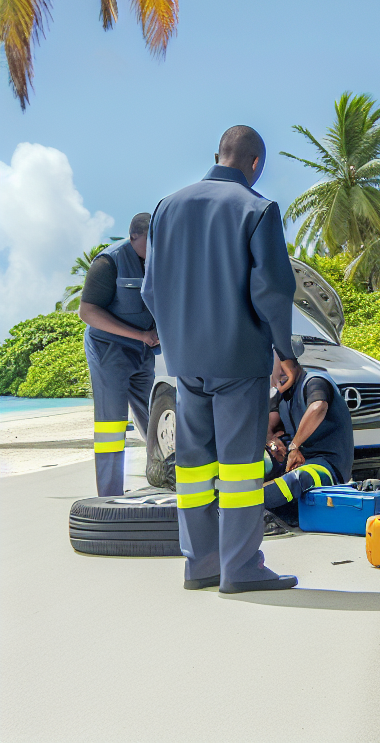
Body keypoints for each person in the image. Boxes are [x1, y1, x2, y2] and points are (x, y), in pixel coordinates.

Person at [141, 126, 300, 593]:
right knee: (240, 467)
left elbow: (151, 290)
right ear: (255, 164)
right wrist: (284, 353)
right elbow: (272, 290)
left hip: (185, 362)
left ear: (217, 155)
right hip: (239, 358)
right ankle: (241, 567)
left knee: (193, 468)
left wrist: (177, 340)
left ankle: (201, 564)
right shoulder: (258, 209)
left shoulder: (166, 207)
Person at [79, 214, 159, 496]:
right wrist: (141, 336)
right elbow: (87, 313)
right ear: (134, 237)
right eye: (151, 241)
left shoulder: (161, 261)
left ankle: (166, 476)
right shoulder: (108, 262)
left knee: (156, 416)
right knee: (111, 425)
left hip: (144, 351)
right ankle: (111, 496)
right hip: (109, 351)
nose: (157, 247)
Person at [263, 354, 354, 513]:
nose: (280, 373)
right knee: (258, 462)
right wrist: (272, 442)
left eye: (284, 365)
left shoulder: (314, 381)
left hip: (328, 467)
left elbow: (318, 407)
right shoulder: (281, 395)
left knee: (296, 480)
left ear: (296, 361)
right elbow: (268, 426)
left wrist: (294, 446)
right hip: (296, 462)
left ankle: (240, 509)